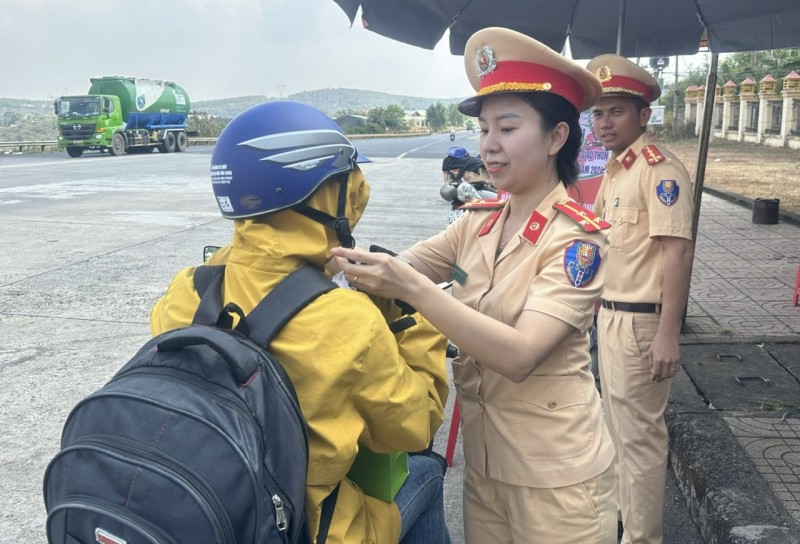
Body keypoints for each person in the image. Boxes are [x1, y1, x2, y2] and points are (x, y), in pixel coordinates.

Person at [332, 28, 617, 543]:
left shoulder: (579, 242)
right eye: (484, 129)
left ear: (556, 137)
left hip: (558, 480)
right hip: (486, 467)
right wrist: (319, 260)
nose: (489, 144)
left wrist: (417, 291)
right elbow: (395, 270)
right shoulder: (477, 221)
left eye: (507, 128)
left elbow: (521, 353)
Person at [149, 101, 452, 544]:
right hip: (302, 529)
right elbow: (414, 427)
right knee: (426, 470)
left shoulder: (188, 289)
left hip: (212, 509)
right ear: (324, 194)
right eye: (346, 182)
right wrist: (411, 313)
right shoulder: (348, 318)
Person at [586, 54, 696, 544]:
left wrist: (668, 334)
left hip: (641, 325)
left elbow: (677, 254)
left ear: (643, 116)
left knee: (641, 441)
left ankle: (642, 537)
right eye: (598, 113)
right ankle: (625, 524)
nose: (604, 123)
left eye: (616, 112)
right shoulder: (615, 171)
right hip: (610, 318)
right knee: (616, 434)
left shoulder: (659, 172)